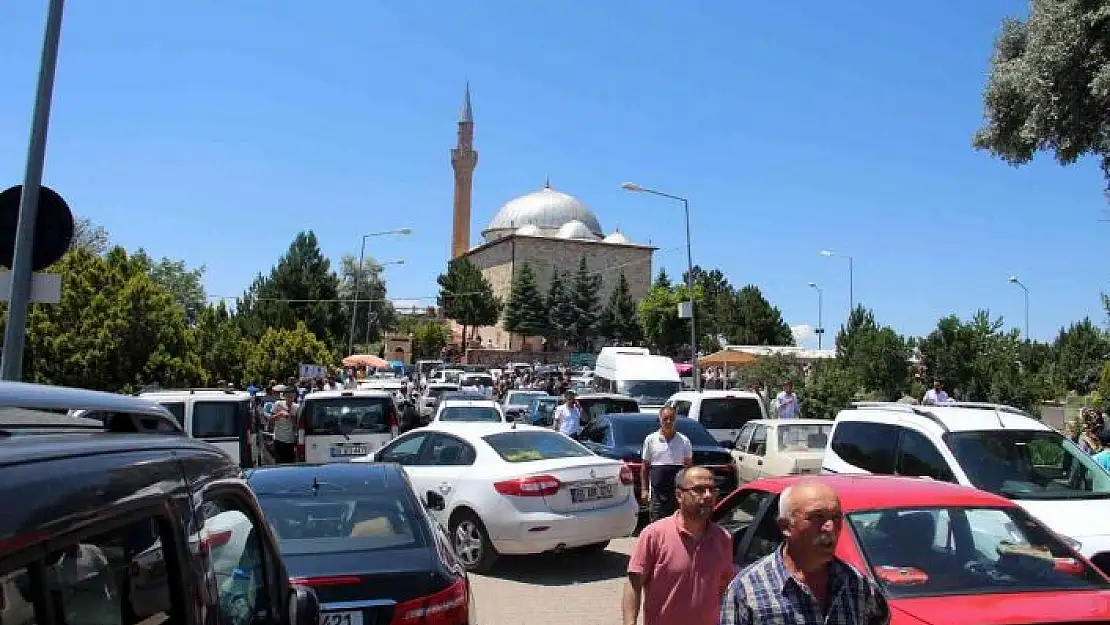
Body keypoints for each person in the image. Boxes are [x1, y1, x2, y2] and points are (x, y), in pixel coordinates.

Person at [719, 480, 890, 625]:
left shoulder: (856, 584)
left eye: (836, 517)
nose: (830, 527)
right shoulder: (746, 590)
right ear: (785, 526)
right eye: (817, 517)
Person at [622, 466, 733, 625]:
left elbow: (724, 589)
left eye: (712, 489)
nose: (708, 495)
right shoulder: (654, 535)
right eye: (699, 490)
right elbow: (634, 585)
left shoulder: (723, 538)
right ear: (679, 495)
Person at [640, 406, 693, 522]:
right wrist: (644, 489)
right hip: (657, 495)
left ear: (675, 420)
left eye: (671, 419)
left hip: (678, 495)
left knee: (678, 523)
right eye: (665, 419)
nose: (668, 421)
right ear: (660, 420)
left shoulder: (685, 441)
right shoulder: (650, 440)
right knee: (657, 525)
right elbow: (644, 467)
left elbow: (689, 469)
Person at [270, 385, 298, 464]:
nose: (290, 398)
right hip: (279, 439)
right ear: (284, 396)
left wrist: (291, 416)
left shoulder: (296, 407)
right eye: (288, 396)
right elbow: (270, 419)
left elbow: (296, 425)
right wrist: (280, 414)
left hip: (290, 440)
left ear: (295, 396)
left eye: (292, 396)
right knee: (279, 463)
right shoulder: (278, 404)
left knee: (289, 463)